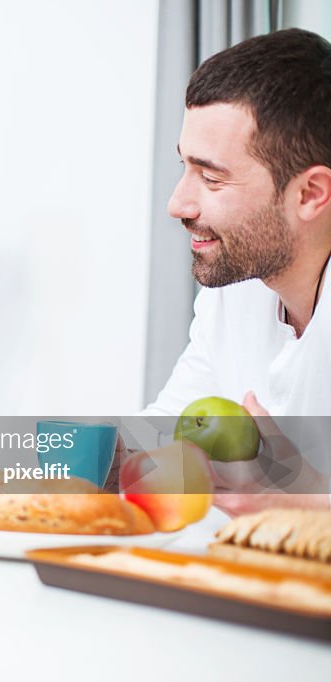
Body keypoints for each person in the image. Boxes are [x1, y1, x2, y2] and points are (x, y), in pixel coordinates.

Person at [144, 28, 331, 513]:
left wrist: (303, 502)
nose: (177, 204)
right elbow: (166, 432)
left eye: (211, 177)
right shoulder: (238, 286)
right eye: (184, 167)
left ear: (310, 193)